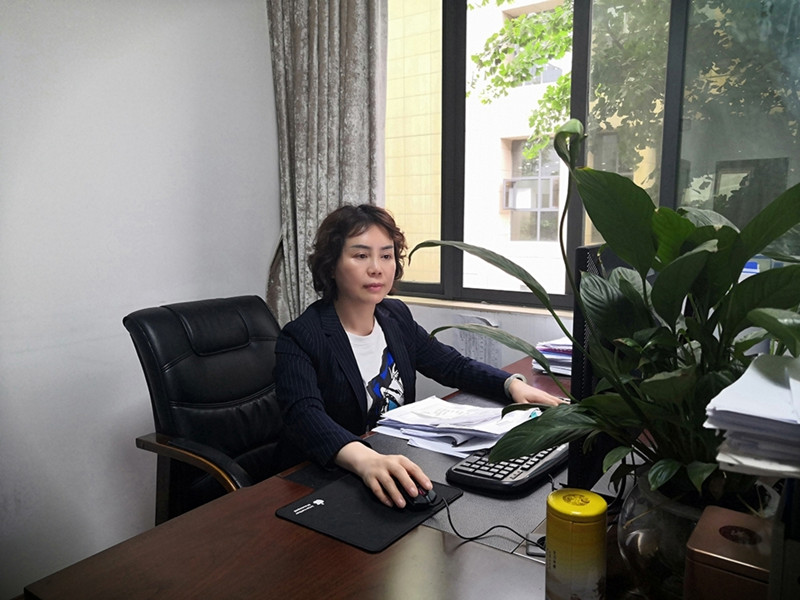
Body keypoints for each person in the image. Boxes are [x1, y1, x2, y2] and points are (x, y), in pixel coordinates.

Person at [275, 204, 564, 509]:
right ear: (331, 265)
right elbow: (305, 416)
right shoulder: (301, 336)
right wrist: (365, 459)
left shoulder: (394, 316)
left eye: (386, 256)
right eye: (361, 256)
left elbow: (451, 365)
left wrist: (511, 385)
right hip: (324, 480)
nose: (376, 268)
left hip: (394, 463)